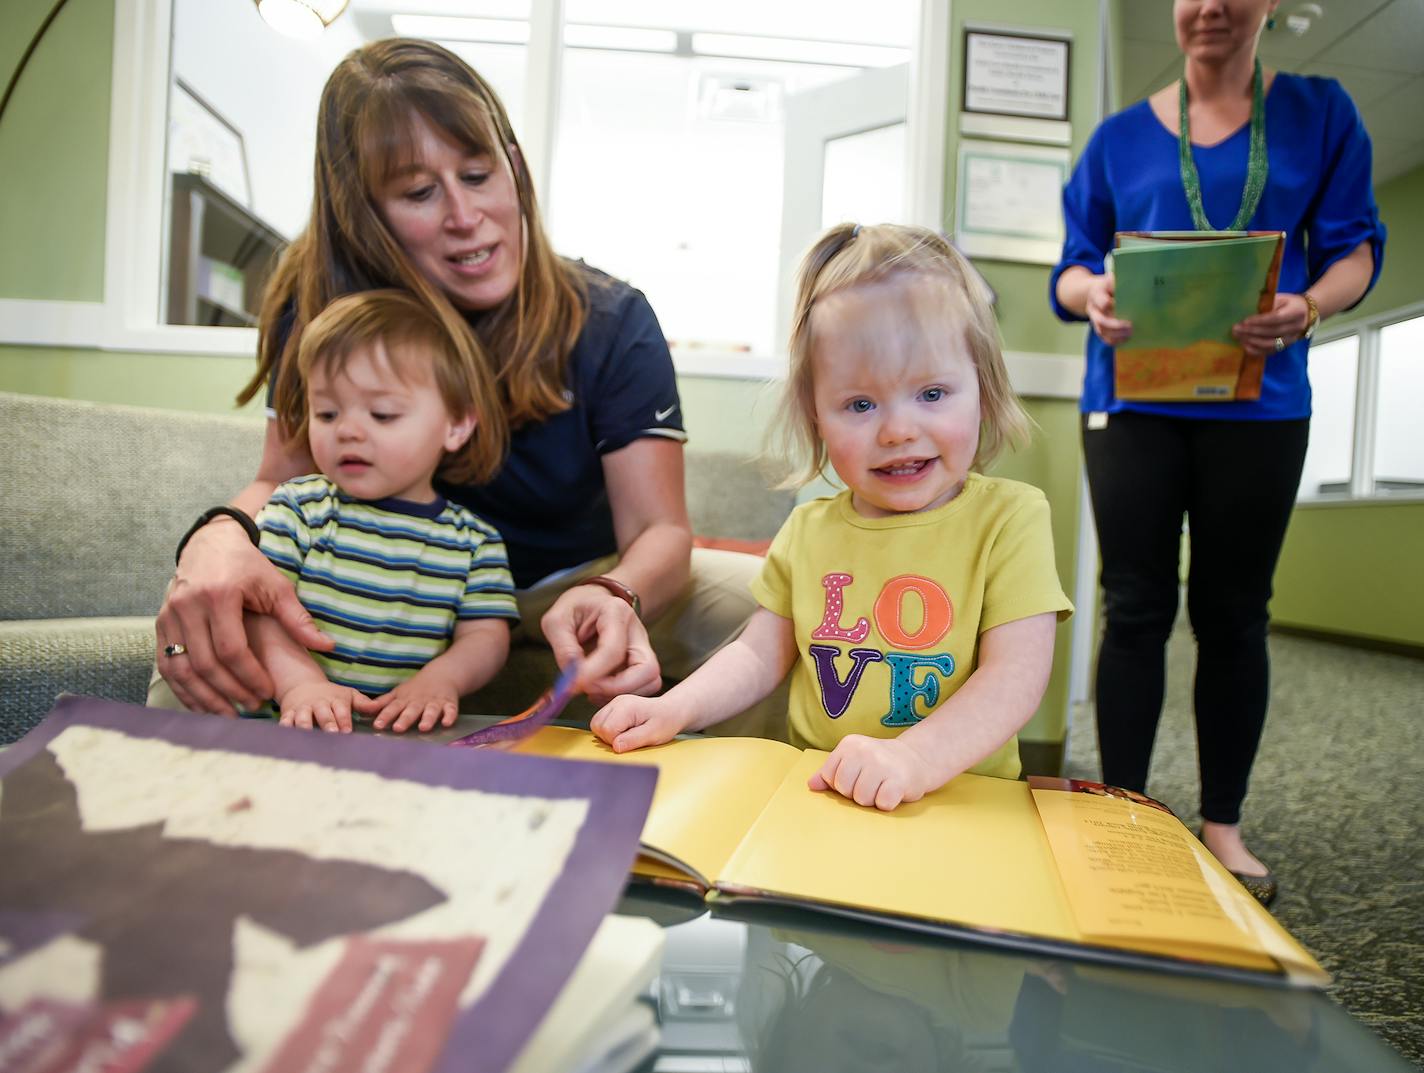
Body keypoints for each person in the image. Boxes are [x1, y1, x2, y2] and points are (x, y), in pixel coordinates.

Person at [150, 38, 765, 727]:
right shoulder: (324, 307)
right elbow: (279, 479)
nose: (465, 216)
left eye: (477, 175)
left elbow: (659, 528)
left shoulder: (612, 319)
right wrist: (216, 539)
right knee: (210, 609)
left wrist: (615, 592)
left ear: (513, 165)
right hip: (398, 578)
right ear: (364, 214)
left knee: (774, 616)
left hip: (576, 576)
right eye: (418, 192)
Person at [1050, 0, 1385, 903]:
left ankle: (1221, 824)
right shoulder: (1120, 138)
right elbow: (1070, 267)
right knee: (1135, 605)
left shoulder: (1321, 113)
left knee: (1235, 613)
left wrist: (1310, 304)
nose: (1210, 8)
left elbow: (1357, 249)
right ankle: (1123, 811)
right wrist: (1095, 294)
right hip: (1132, 402)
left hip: (1263, 404)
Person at [591, 224, 1073, 810]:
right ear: (816, 416)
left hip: (957, 800)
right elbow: (756, 655)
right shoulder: (808, 530)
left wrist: (915, 759)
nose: (898, 430)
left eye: (932, 394)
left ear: (983, 390)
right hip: (822, 796)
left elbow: (1014, 678)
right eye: (860, 405)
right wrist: (674, 707)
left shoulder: (1009, 520)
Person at [244, 290, 517, 734]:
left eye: (383, 414)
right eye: (327, 413)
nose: (349, 430)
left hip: (403, 740)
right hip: (286, 727)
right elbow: (257, 612)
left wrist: (441, 679)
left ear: (456, 425)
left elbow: (486, 637)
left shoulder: (475, 543)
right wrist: (299, 685)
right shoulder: (298, 508)